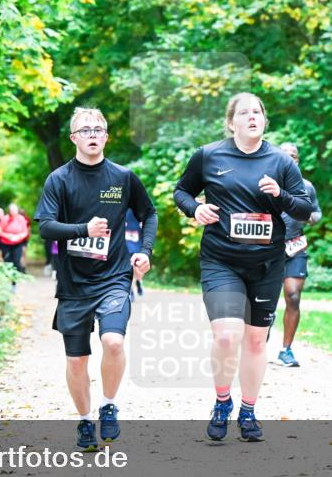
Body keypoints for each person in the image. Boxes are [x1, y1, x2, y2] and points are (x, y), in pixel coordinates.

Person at [174, 92, 311, 442]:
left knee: (254, 340)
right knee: (226, 334)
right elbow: (182, 192)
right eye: (244, 112)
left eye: (258, 112)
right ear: (231, 121)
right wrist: (195, 210)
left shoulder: (281, 162)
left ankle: (248, 410)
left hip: (266, 264)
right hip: (221, 259)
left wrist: (280, 195)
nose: (252, 117)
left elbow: (304, 210)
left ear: (264, 120)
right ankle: (222, 402)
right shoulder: (209, 156)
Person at [35, 107, 157, 450]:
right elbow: (44, 226)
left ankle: (108, 405)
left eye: (99, 129)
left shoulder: (123, 177)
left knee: (114, 342)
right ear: (74, 138)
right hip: (74, 284)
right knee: (77, 360)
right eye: (85, 129)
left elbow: (149, 213)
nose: (92, 134)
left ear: (106, 137)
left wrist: (144, 251)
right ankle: (85, 420)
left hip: (114, 277)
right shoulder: (59, 179)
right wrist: (82, 229)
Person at [276, 142, 322, 368]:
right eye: (284, 155)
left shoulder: (307, 186)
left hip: (295, 247)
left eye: (293, 156)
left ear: (297, 161)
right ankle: (256, 340)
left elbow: (316, 212)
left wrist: (312, 217)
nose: (289, 158)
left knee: (293, 296)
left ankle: (286, 350)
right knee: (261, 300)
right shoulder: (265, 183)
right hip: (268, 248)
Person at [0, 203, 30, 277]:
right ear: (9, 211)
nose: (13, 212)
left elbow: (25, 231)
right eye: (11, 210)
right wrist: (7, 236)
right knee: (7, 261)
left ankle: (14, 280)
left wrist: (20, 236)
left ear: (17, 210)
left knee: (16, 261)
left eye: (14, 210)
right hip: (6, 243)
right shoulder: (5, 219)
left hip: (18, 243)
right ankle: (8, 277)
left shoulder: (21, 219)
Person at [124, 208, 145, 300]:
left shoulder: (140, 207)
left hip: (138, 242)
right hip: (126, 241)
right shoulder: (121, 204)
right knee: (129, 266)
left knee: (137, 267)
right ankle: (130, 290)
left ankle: (139, 281)